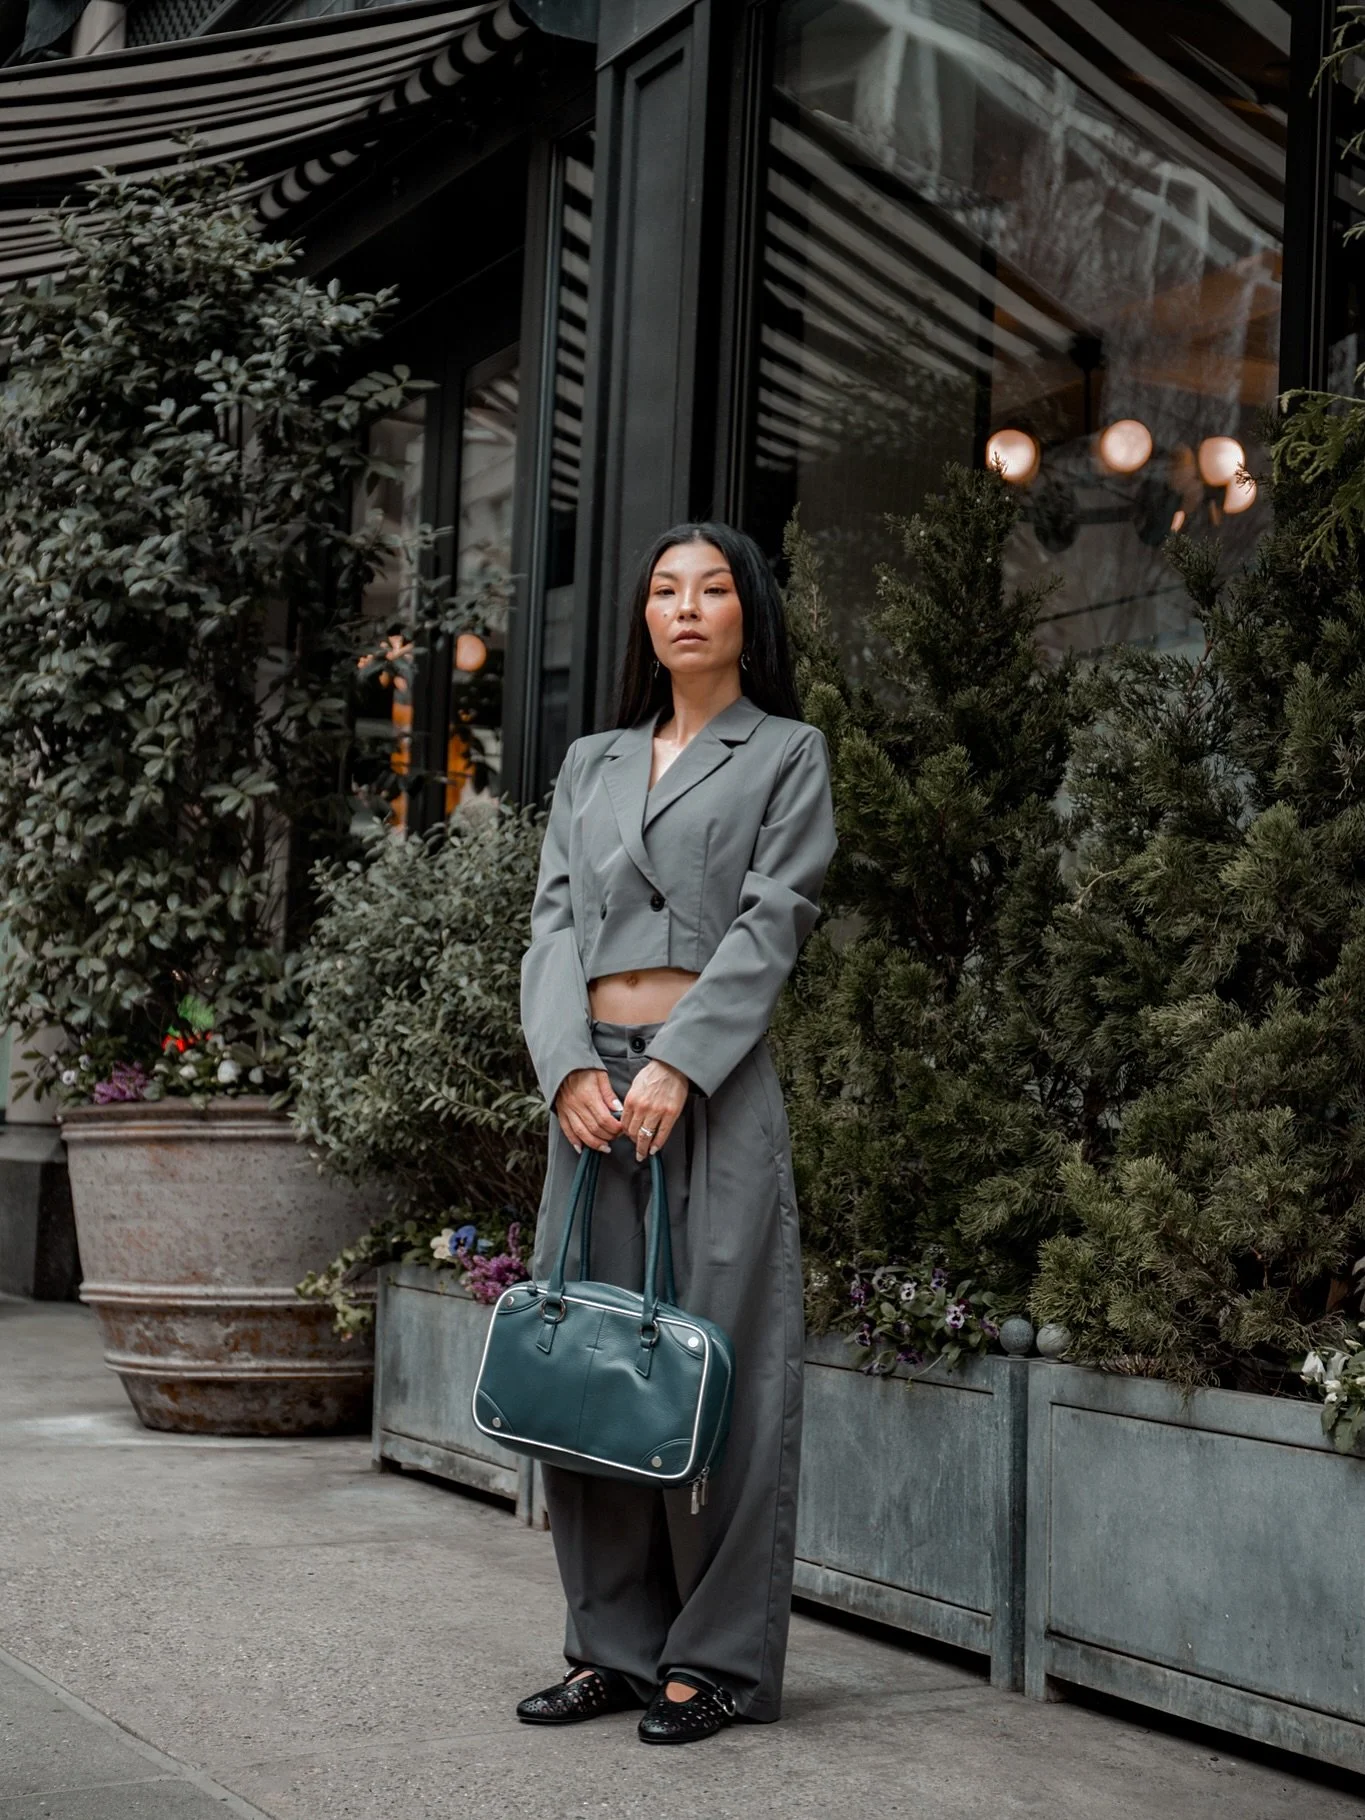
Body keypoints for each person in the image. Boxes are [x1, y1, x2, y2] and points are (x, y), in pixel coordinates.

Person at [516, 522, 836, 1745]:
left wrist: (684, 1066)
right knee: (588, 1360)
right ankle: (609, 1646)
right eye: (663, 589)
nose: (686, 607)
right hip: (590, 1093)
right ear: (643, 618)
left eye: (712, 589)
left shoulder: (786, 753)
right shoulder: (592, 760)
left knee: (726, 1362)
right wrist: (562, 1071)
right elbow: (551, 927)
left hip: (714, 1086)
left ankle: (716, 1659)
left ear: (749, 611)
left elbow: (774, 919)